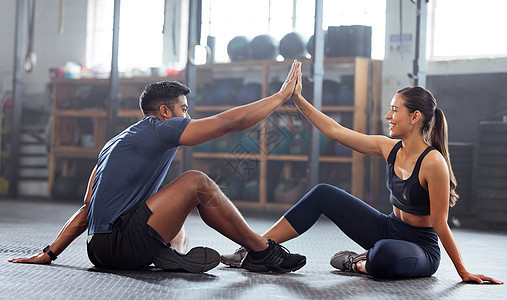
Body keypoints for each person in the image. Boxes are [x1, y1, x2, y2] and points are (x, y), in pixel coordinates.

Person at [8, 60, 306, 274]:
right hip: (121, 245)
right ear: (165, 112)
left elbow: (88, 207)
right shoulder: (158, 128)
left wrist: (50, 253)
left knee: (180, 230)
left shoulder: (114, 143)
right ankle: (262, 252)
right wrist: (281, 97)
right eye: (184, 109)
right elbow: (230, 123)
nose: (187, 117)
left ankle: (171, 255)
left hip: (98, 250)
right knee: (196, 182)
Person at [221, 67, 504, 284]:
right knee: (323, 193)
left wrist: (463, 272)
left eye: (395, 110)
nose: (388, 115)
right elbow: (336, 132)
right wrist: (298, 99)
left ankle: (357, 262)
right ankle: (255, 248)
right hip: (389, 228)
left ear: (415, 117)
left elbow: (440, 224)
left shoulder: (434, 163)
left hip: (420, 249)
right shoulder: (389, 147)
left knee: (384, 255)